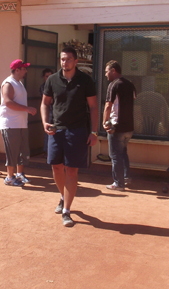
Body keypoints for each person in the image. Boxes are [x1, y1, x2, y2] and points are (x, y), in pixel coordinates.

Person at [41, 47, 99, 227]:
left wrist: (94, 132)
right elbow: (45, 103)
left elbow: (94, 107)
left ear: (75, 61)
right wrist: (45, 122)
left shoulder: (85, 80)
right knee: (56, 168)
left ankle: (66, 210)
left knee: (71, 170)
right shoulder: (52, 80)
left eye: (68, 60)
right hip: (56, 130)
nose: (64, 63)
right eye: (62, 59)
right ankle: (62, 196)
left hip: (78, 131)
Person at [0, 59, 37, 186]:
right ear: (17, 70)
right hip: (10, 124)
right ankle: (9, 177)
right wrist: (27, 109)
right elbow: (8, 102)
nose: (26, 71)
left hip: (21, 124)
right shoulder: (8, 83)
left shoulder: (19, 83)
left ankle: (19, 174)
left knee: (22, 151)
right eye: (24, 68)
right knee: (12, 152)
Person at [102, 60, 136, 191]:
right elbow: (132, 102)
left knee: (115, 155)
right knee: (123, 153)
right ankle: (126, 178)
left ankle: (119, 183)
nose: (106, 74)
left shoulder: (113, 85)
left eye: (106, 71)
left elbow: (108, 105)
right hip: (129, 128)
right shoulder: (130, 85)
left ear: (113, 71)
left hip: (116, 127)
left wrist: (105, 122)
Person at [39, 68, 54, 153]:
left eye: (50, 76)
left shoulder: (55, 84)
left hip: (55, 112)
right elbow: (49, 101)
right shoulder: (43, 87)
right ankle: (46, 150)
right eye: (46, 76)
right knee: (48, 131)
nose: (48, 78)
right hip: (48, 112)